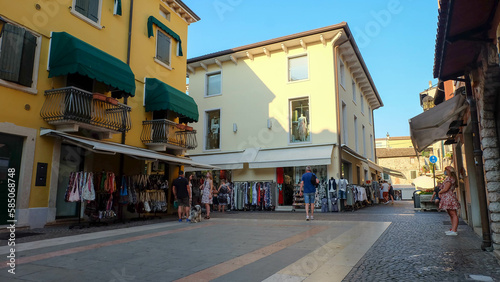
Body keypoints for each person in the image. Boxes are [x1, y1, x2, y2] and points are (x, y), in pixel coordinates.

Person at [438, 166, 461, 236]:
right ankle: (453, 229)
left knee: (453, 214)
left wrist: (439, 192)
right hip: (447, 197)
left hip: (449, 197)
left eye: (446, 170)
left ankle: (454, 230)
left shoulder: (450, 179)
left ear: (449, 171)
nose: (445, 172)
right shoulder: (449, 178)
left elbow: (446, 189)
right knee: (451, 214)